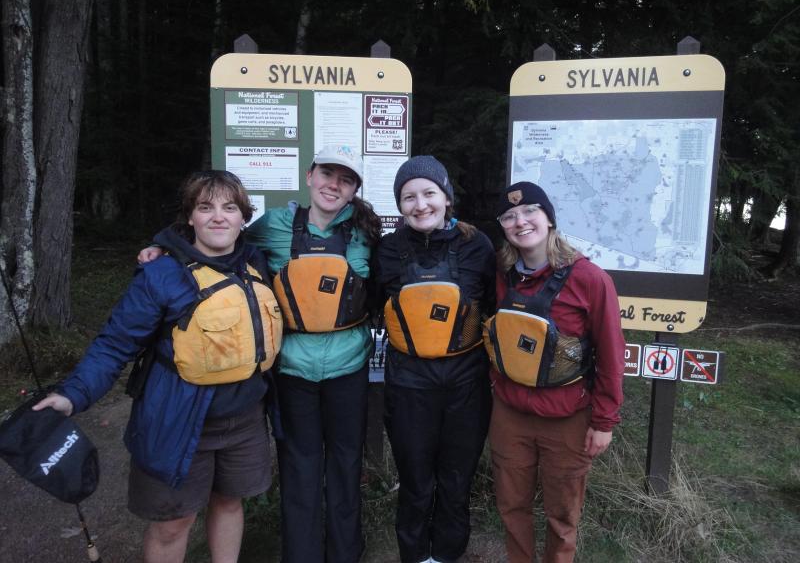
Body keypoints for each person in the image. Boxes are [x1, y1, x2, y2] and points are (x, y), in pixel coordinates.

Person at [138, 145, 382, 563]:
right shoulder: (275, 225)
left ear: (354, 188)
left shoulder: (365, 233)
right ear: (310, 176)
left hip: (349, 366)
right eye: (327, 173)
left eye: (345, 179)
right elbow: (218, 239)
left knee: (345, 462)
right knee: (299, 465)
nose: (333, 184)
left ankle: (345, 553)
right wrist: (164, 246)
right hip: (292, 369)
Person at [34, 170, 282, 563]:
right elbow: (115, 344)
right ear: (190, 217)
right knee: (173, 523)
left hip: (246, 417)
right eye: (205, 207)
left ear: (242, 217)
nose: (218, 216)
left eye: (229, 207)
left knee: (230, 505)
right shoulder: (162, 273)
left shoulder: (254, 263)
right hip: (177, 419)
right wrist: (71, 395)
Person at [484, 181, 625, 563]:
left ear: (549, 219)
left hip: (567, 417)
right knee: (511, 507)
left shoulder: (589, 280)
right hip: (510, 413)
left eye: (530, 211)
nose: (520, 221)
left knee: (563, 513)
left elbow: (612, 354)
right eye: (510, 216)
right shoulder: (503, 276)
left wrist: (604, 421)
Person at [375, 156, 496, 563]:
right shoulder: (387, 249)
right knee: (414, 476)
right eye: (409, 197)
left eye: (429, 193)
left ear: (446, 197)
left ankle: (445, 554)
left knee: (456, 476)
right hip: (408, 380)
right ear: (399, 205)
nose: (420, 204)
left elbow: (494, 306)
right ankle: (413, 553)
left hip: (466, 380)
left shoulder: (476, 244)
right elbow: (374, 305)